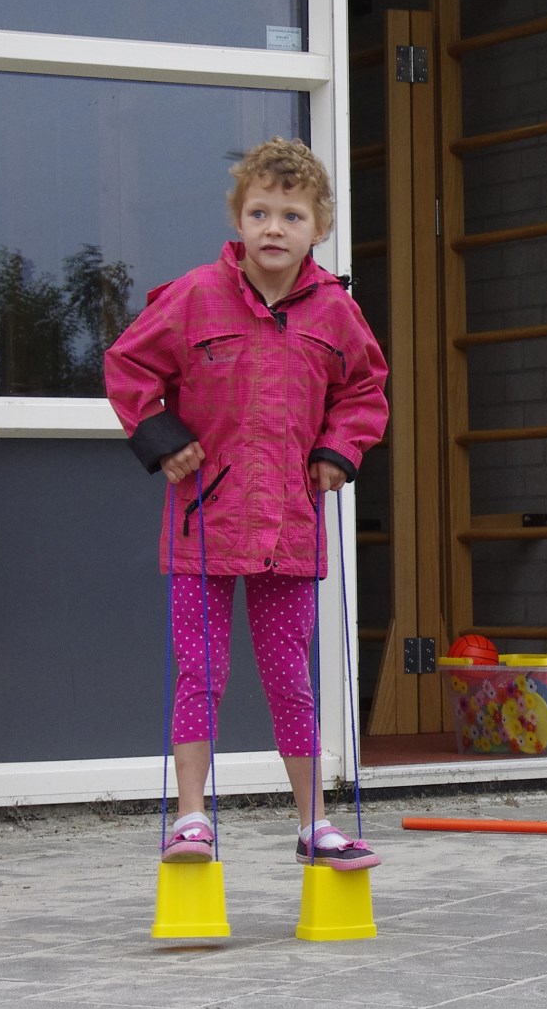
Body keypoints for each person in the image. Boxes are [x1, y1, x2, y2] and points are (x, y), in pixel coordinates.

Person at [106, 138, 388, 868]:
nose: (273, 228)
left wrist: (338, 450)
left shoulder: (335, 312)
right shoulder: (195, 296)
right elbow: (129, 364)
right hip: (204, 521)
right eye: (258, 211)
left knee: (288, 674)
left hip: (289, 528)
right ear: (237, 218)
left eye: (290, 215)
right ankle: (192, 817)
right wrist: (162, 438)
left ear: (317, 227)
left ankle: (313, 823)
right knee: (201, 671)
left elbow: (363, 391)